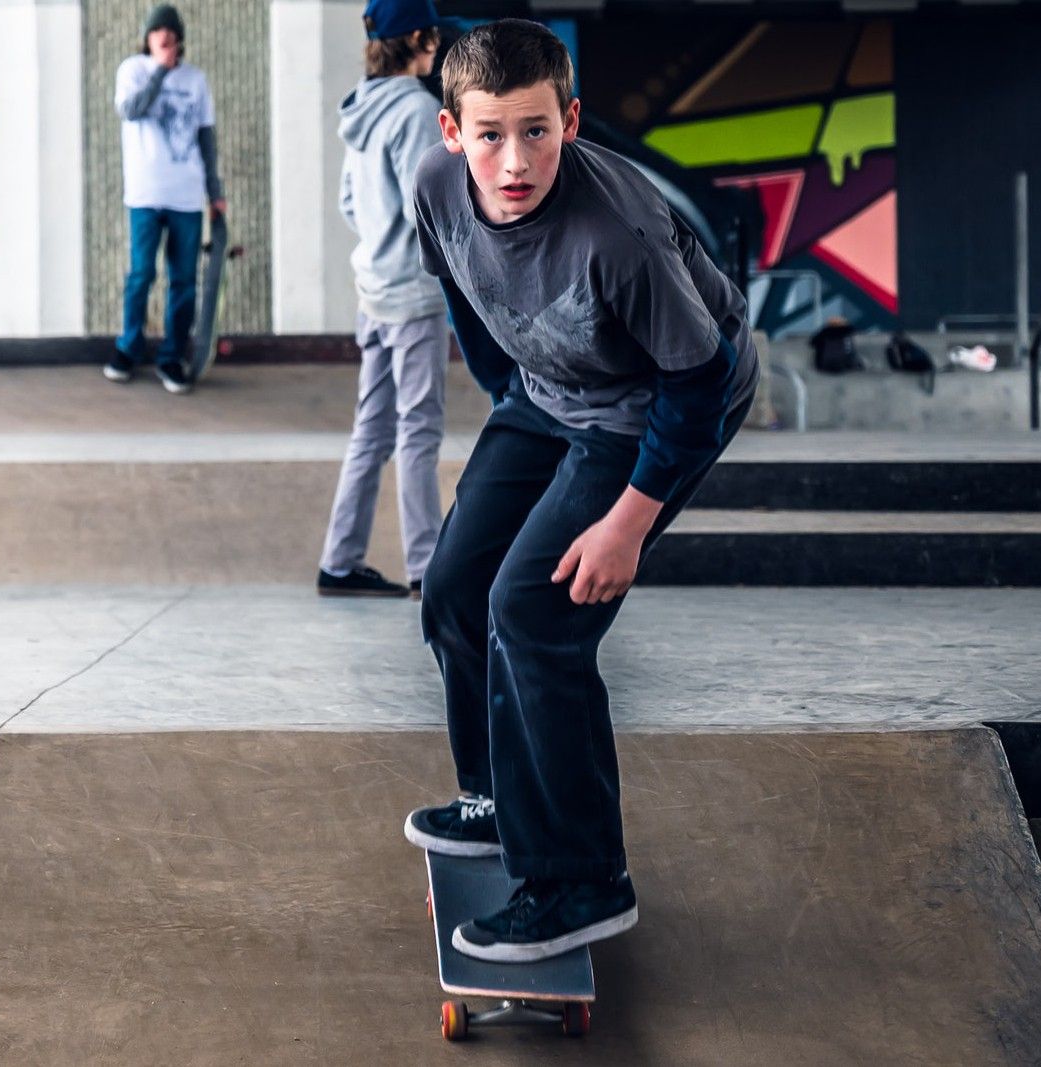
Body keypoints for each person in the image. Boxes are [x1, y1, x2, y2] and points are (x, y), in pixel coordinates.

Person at [402, 20, 758, 962]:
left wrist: (627, 523)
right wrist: (516, 410)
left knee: (533, 611)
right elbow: (472, 307)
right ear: (451, 134)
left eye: (536, 132)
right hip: (548, 392)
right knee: (452, 587)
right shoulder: (436, 191)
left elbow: (699, 381)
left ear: (570, 120)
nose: (513, 162)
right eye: (488, 135)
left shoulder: (618, 233)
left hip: (658, 402)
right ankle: (493, 796)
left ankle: (582, 877)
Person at [316, 0, 449, 600]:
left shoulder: (362, 108)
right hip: (413, 297)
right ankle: (426, 567)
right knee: (418, 430)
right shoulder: (417, 112)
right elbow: (431, 213)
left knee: (371, 431)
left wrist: (380, 240)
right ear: (420, 38)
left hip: (371, 290)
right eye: (435, 35)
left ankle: (339, 562)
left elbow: (351, 203)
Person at [106, 4, 225, 395]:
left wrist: (215, 193)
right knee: (141, 274)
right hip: (144, 193)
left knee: (184, 281)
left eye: (170, 34)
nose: (164, 38)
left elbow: (206, 139)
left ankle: (171, 356)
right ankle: (128, 348)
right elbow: (132, 110)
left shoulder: (196, 79)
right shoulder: (132, 70)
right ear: (148, 38)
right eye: (157, 33)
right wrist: (160, 69)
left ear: (180, 39)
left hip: (187, 195)